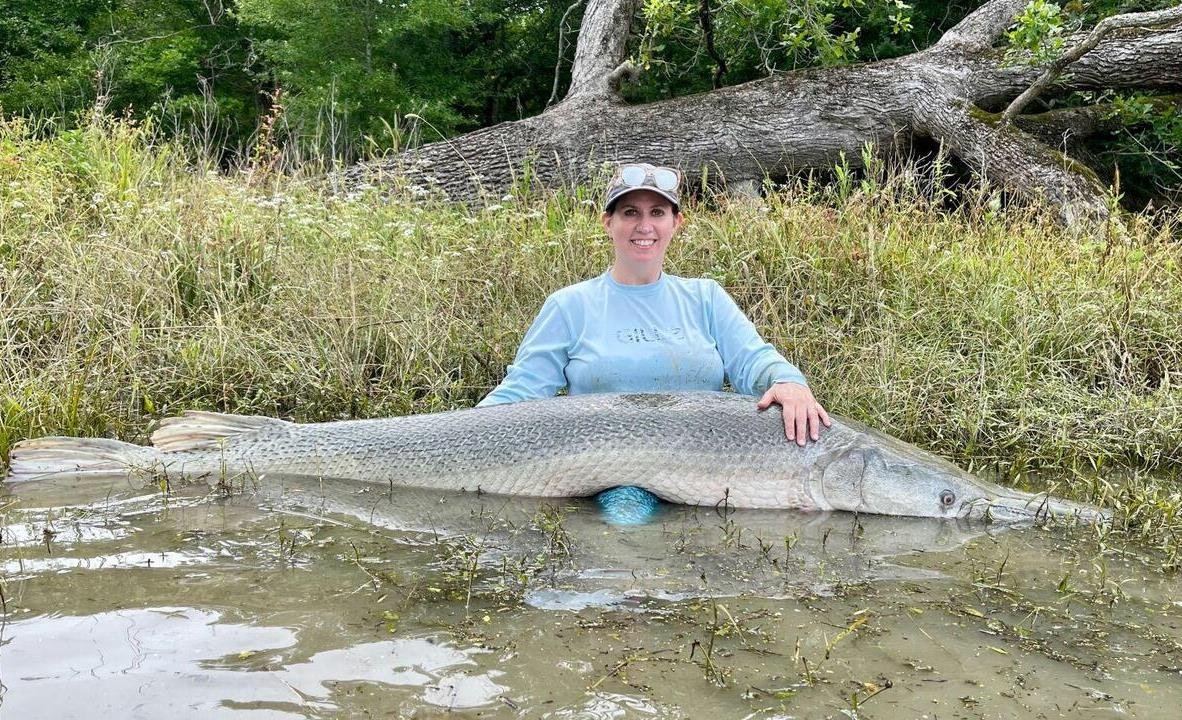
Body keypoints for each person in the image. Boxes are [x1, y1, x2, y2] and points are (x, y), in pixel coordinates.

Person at [479, 162, 830, 446]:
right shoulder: (569, 305)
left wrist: (788, 382)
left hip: (701, 461)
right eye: (630, 212)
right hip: (604, 467)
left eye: (657, 212)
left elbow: (753, 360)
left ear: (675, 222)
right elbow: (522, 393)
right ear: (608, 222)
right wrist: (452, 431)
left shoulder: (705, 297)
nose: (644, 226)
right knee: (628, 519)